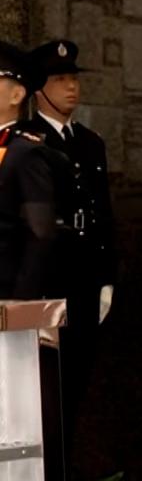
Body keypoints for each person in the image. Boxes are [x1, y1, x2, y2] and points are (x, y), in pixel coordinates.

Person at [23, 39, 116, 481]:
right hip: (45, 277)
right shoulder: (25, 140)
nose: (72, 86)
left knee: (74, 383)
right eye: (61, 79)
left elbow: (103, 213)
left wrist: (107, 277)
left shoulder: (89, 141)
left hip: (82, 275)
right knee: (40, 387)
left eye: (74, 78)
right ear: (38, 89)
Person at [0, 42, 58, 301]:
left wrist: (20, 303)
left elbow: (40, 233)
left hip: (7, 298)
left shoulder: (25, 152)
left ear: (16, 96)